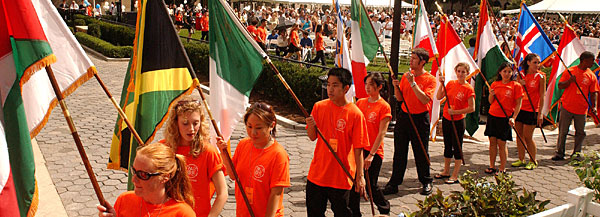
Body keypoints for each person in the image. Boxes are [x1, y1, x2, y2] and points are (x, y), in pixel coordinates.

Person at [305, 68, 367, 216]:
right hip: (317, 174)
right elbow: (312, 137)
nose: (330, 89)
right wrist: (311, 126)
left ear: (346, 88)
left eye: (335, 85)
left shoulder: (355, 114)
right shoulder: (319, 107)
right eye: (328, 84)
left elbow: (359, 148)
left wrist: (360, 176)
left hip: (342, 176)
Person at [217, 102, 290, 217]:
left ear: (271, 125)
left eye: (259, 128)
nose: (253, 133)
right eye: (249, 126)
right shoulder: (243, 144)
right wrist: (224, 154)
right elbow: (233, 176)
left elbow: (276, 193)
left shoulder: (278, 154)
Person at [161, 97, 227, 217]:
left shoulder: (208, 151)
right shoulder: (163, 149)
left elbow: (223, 192)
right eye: (185, 123)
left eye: (195, 123)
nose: (191, 129)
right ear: (175, 122)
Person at [384, 48, 436, 196]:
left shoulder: (430, 79)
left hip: (420, 118)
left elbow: (425, 99)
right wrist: (395, 86)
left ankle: (426, 180)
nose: (411, 61)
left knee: (420, 151)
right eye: (411, 58)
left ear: (422, 62)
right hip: (404, 117)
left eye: (414, 58)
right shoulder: (407, 76)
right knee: (399, 152)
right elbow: (400, 99)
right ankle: (394, 183)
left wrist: (413, 84)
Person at [97, 143, 196, 217]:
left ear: (165, 177)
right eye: (134, 171)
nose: (134, 179)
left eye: (143, 175)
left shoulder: (182, 213)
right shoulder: (124, 200)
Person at [350, 72, 391, 216]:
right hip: (358, 149)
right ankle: (354, 213)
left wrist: (371, 155)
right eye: (366, 84)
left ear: (379, 87)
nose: (367, 88)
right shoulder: (360, 102)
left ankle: (384, 208)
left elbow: (381, 133)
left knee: (370, 185)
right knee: (354, 183)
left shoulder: (384, 106)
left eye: (371, 85)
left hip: (374, 151)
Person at [553, 51, 599, 160]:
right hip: (567, 106)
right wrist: (570, 81)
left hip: (582, 108)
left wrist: (595, 106)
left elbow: (594, 92)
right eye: (591, 60)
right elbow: (560, 86)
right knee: (563, 131)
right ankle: (560, 153)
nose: (593, 63)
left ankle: (576, 154)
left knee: (580, 133)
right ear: (584, 60)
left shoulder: (591, 75)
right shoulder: (570, 71)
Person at [434, 63, 475, 183]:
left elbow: (471, 108)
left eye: (463, 72)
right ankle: (446, 171)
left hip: (458, 121)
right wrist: (442, 85)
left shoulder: (469, 89)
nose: (461, 74)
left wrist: (456, 111)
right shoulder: (451, 83)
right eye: (459, 71)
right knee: (447, 145)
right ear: (455, 72)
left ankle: (455, 174)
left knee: (457, 147)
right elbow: (438, 96)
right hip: (447, 119)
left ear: (467, 73)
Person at [484, 62, 523, 174]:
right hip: (493, 116)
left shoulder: (516, 86)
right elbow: (490, 102)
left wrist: (514, 117)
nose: (506, 74)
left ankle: (502, 167)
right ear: (500, 72)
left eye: (509, 71)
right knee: (492, 142)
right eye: (504, 71)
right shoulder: (495, 84)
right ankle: (492, 165)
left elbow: (518, 103)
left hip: (505, 118)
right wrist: (491, 94)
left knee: (502, 143)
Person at [512, 54, 545, 170]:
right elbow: (516, 91)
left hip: (532, 109)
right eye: (535, 62)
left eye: (538, 62)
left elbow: (542, 95)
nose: (537, 65)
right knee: (519, 135)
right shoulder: (521, 75)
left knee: (528, 136)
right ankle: (521, 159)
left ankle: (533, 159)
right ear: (528, 63)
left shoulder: (540, 76)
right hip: (520, 108)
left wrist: (540, 113)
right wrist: (519, 84)